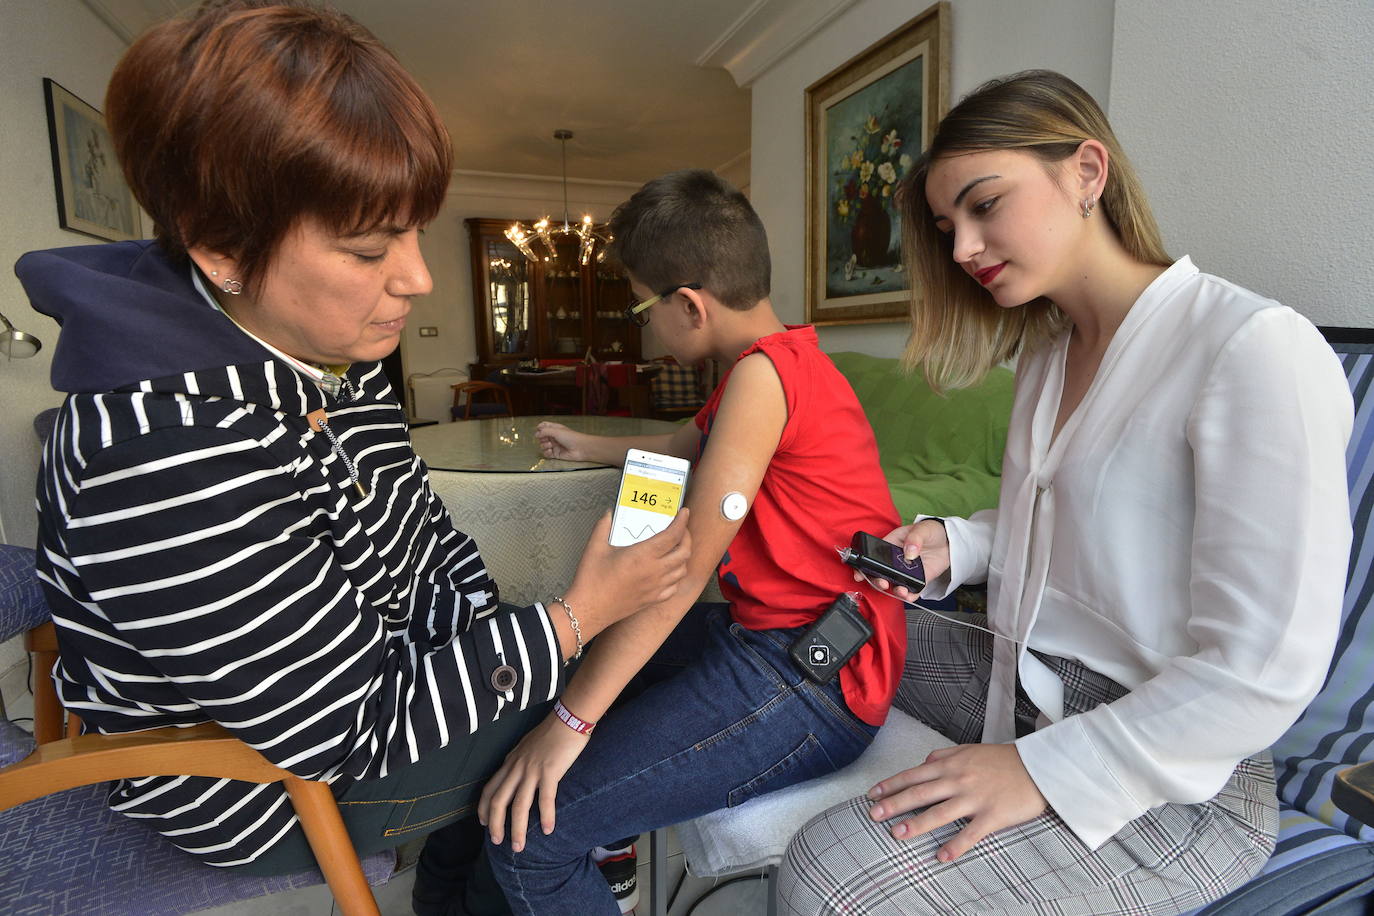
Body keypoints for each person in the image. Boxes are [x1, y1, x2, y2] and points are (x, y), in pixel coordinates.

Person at [13, 0, 691, 906]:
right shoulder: (158, 455)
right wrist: (572, 621)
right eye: (370, 247)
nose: (415, 278)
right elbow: (353, 731)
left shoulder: (331, 356)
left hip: (381, 687)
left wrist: (515, 631)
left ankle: (467, 879)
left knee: (651, 657)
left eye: (413, 230)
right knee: (621, 712)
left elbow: (427, 534)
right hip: (269, 791)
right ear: (220, 247)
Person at [775, 70, 1354, 916]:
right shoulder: (1049, 353)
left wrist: (1042, 770)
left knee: (830, 877)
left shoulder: (1252, 348)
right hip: (1022, 671)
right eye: (947, 228)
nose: (965, 247)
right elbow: (1071, 525)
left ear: (1087, 171)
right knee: (805, 609)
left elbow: (1264, 667)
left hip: (1178, 771)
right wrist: (958, 543)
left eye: (985, 205)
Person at [475, 169, 906, 914]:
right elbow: (683, 443)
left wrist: (572, 724)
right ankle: (607, 838)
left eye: (641, 305)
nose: (641, 327)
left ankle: (584, 847)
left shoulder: (765, 379)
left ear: (688, 304)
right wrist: (585, 445)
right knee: (569, 652)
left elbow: (680, 570)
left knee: (528, 839)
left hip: (814, 679)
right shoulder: (765, 365)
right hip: (777, 640)